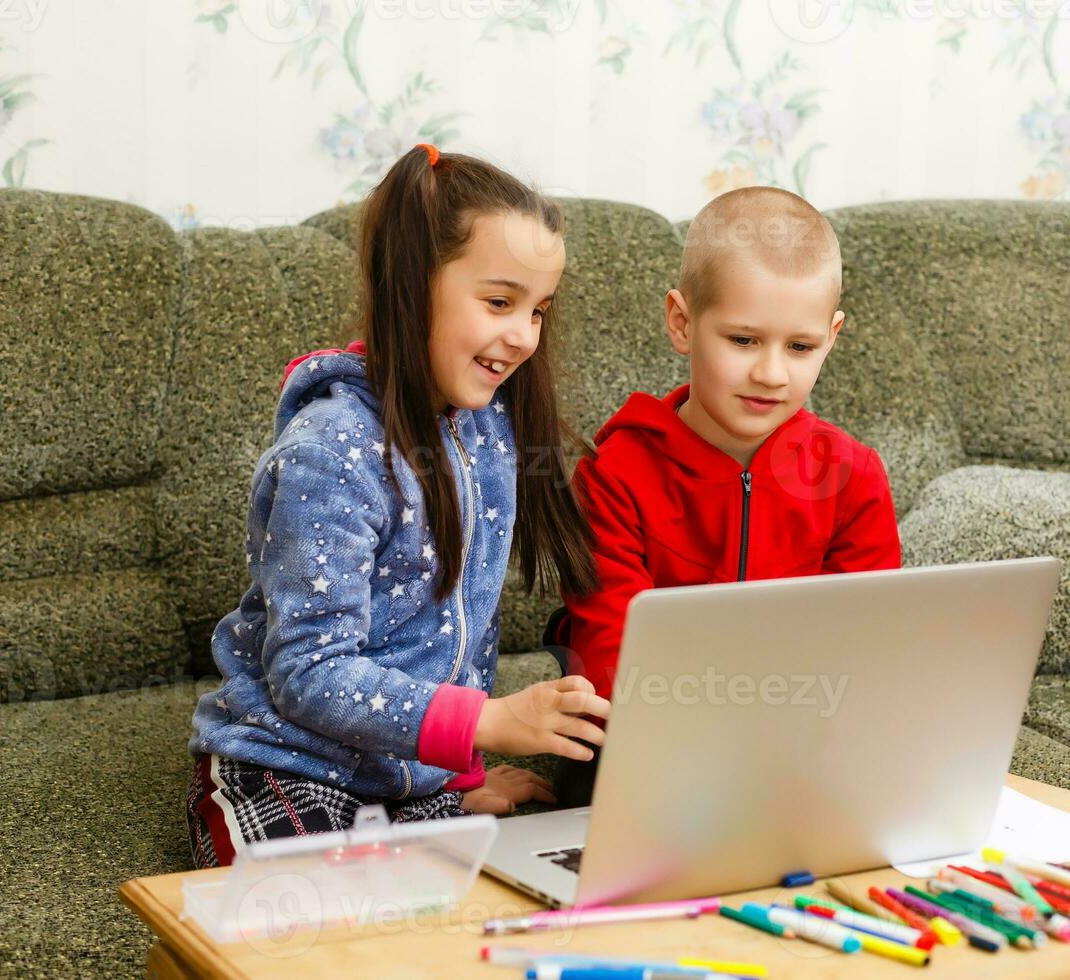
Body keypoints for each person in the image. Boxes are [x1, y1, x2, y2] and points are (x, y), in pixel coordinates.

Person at [186, 144, 608, 869]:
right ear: (413, 285)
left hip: (411, 782)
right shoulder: (332, 452)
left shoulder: (490, 428)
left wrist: (458, 776)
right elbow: (309, 674)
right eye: (499, 302)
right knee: (317, 931)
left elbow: (461, 630)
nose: (523, 336)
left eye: (538, 310)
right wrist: (492, 720)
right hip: (290, 768)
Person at [547, 186, 903, 805]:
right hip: (648, 745)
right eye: (743, 340)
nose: (770, 373)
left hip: (804, 741)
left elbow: (868, 647)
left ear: (832, 336)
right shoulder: (613, 474)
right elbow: (615, 662)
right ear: (682, 323)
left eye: (800, 346)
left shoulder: (854, 476)